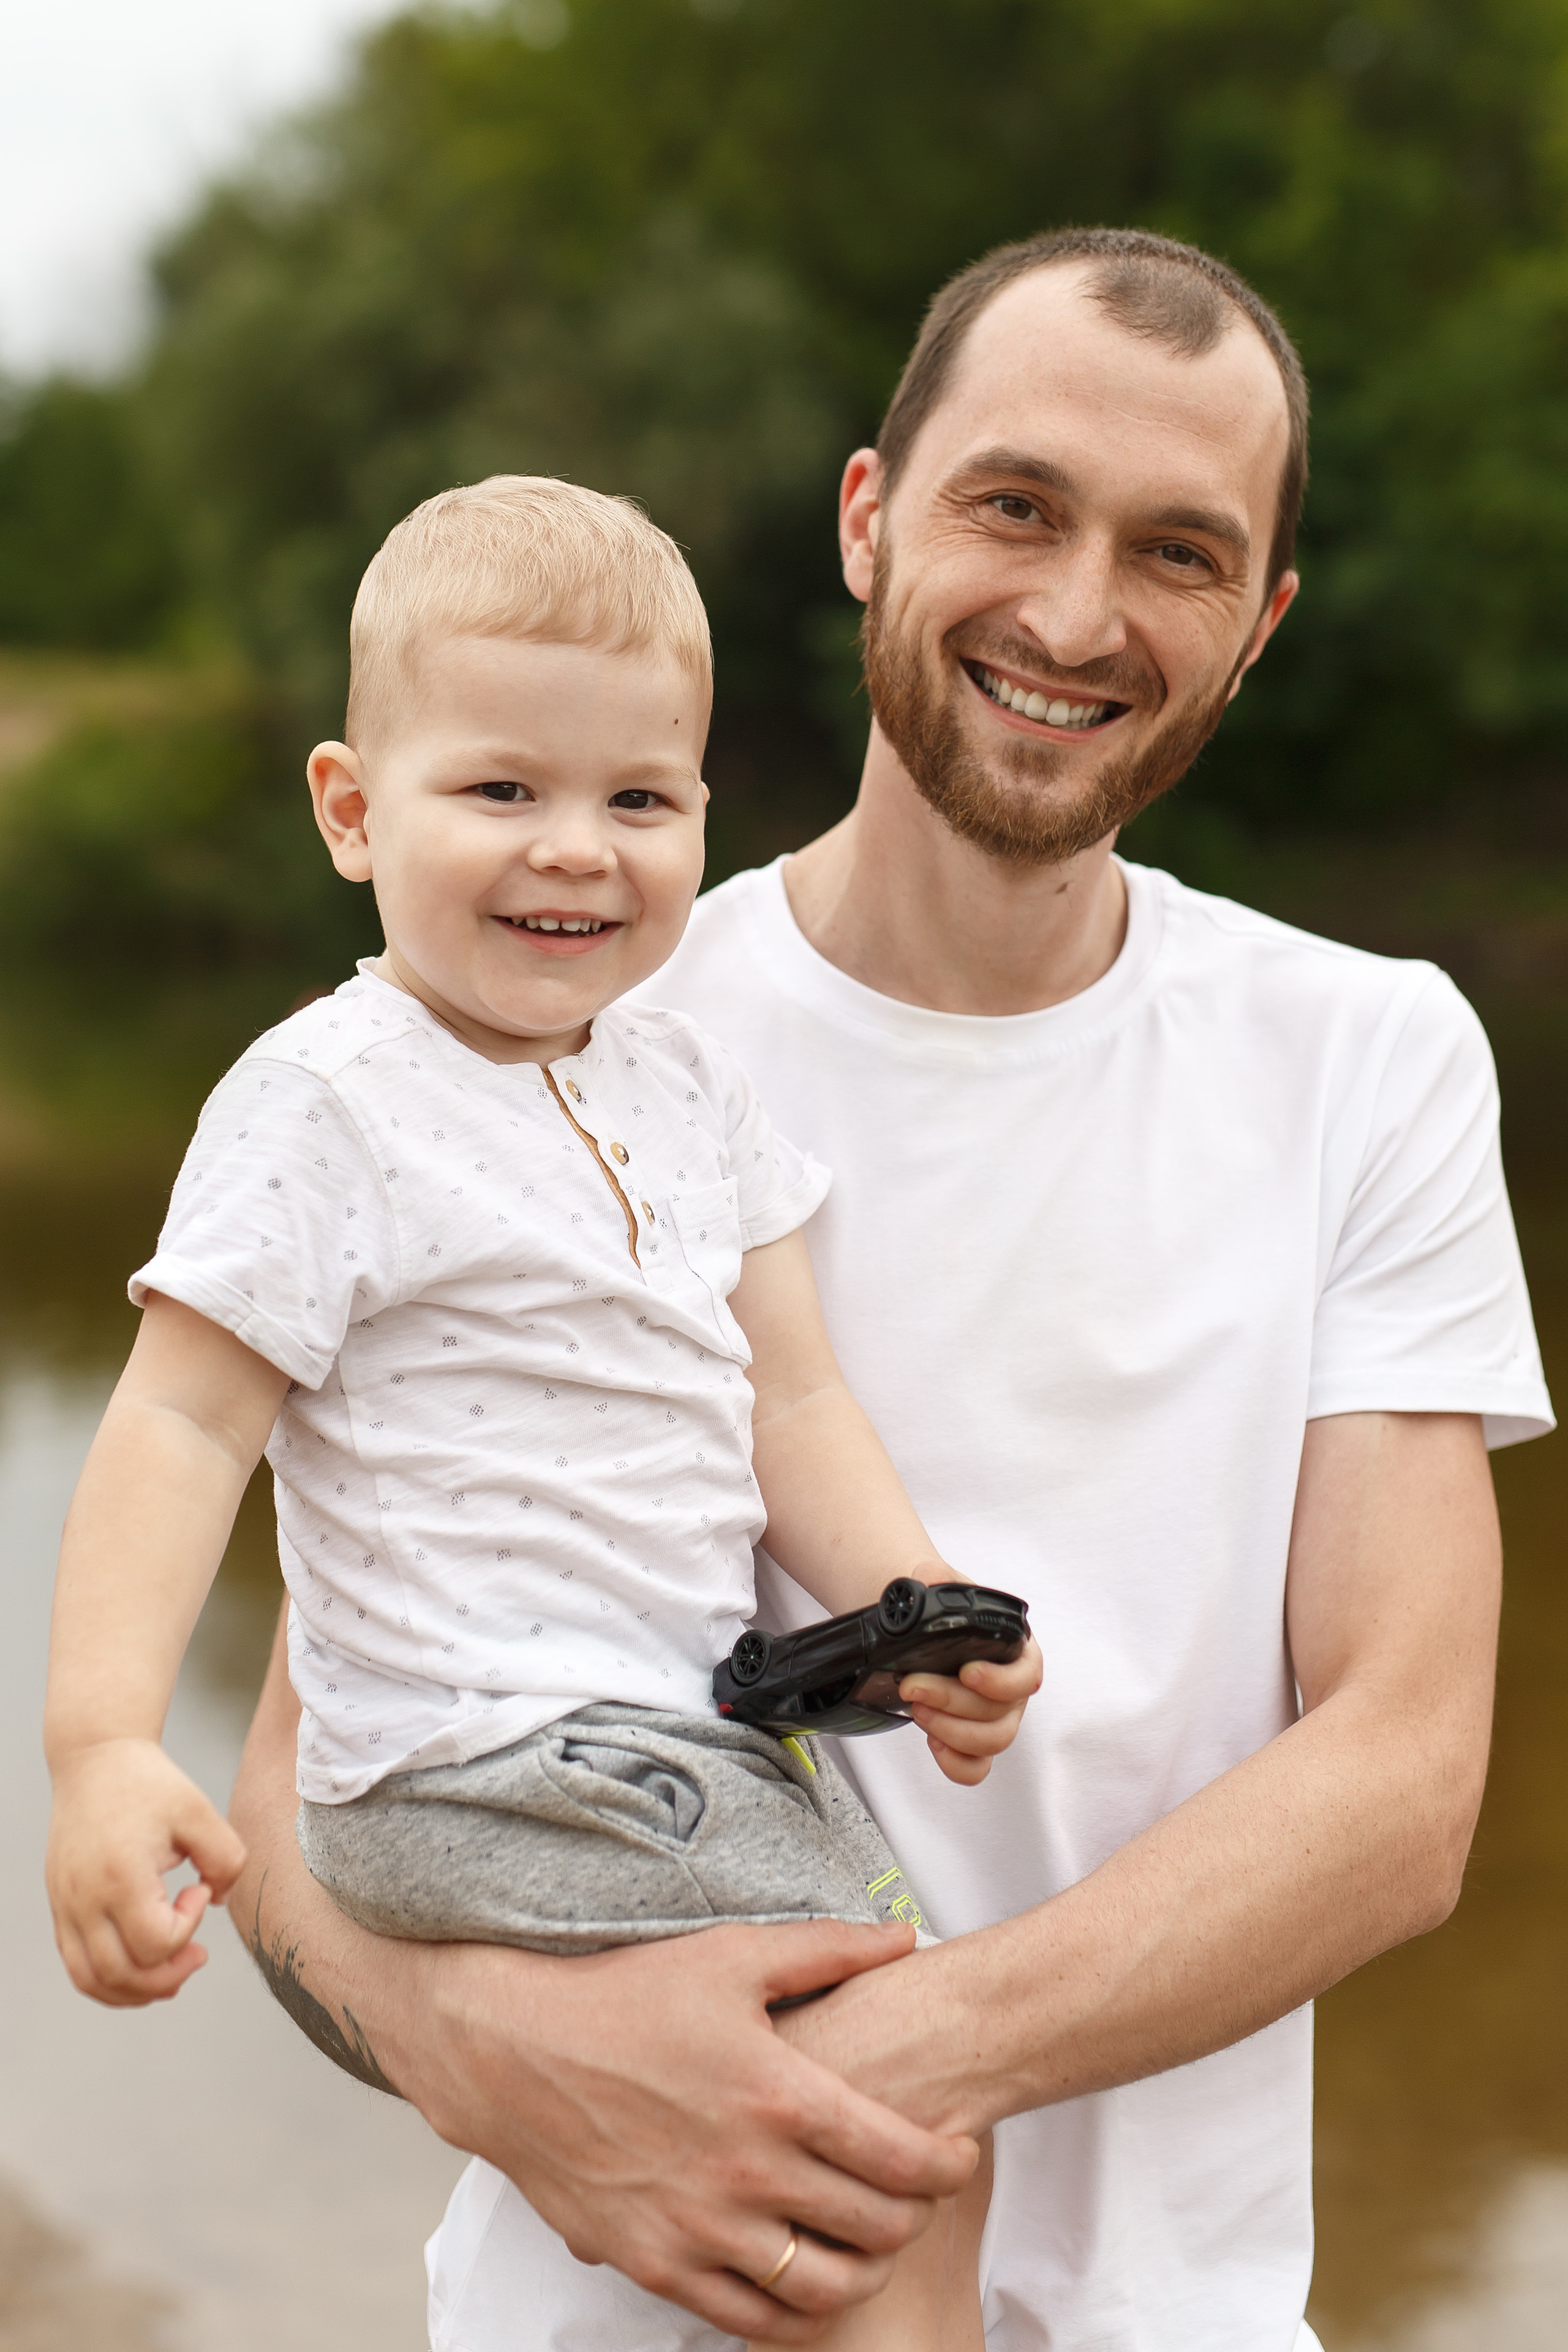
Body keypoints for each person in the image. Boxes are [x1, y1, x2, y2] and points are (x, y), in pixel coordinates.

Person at [221, 227, 1551, 2352]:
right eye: (1013, 505)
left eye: (1181, 552)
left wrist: (873, 2075)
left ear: (1264, 624)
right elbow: (305, 1784)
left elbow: (1402, 1782)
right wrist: (499, 2060)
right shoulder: (555, 1027)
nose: (1077, 615)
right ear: (868, 519)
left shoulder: (1368, 1059)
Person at [42, 475, 1046, 2352]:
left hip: (668, 1742)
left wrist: (913, 1609)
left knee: (896, 2122)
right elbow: (179, 1427)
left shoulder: (690, 1085)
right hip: (475, 1752)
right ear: (353, 811)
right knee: (887, 2102)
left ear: (701, 814)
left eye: (638, 801)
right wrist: (102, 1746)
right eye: (503, 790)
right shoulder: (326, 1098)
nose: (576, 851)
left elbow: (794, 1397)